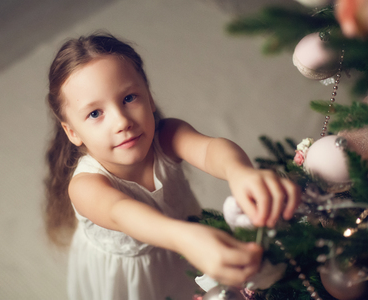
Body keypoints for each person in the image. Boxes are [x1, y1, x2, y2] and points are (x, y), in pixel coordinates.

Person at [44, 33, 300, 300]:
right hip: (132, 276)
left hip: (191, 244)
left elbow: (211, 149)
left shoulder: (167, 136)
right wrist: (186, 239)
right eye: (95, 113)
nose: (121, 121)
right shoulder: (85, 187)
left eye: (129, 98)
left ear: (149, 98)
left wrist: (241, 172)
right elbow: (123, 213)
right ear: (72, 132)